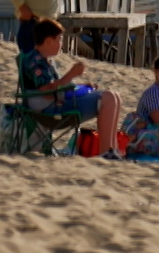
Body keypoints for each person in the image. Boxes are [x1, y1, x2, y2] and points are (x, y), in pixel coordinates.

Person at [17, 18, 122, 159]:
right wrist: (71, 74)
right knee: (108, 98)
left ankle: (112, 149)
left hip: (57, 105)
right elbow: (48, 91)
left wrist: (82, 86)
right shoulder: (35, 61)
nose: (61, 44)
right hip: (49, 111)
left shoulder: (44, 60)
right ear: (48, 41)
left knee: (115, 96)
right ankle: (105, 152)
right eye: (59, 40)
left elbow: (57, 86)